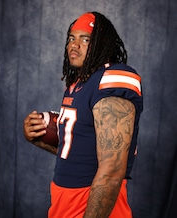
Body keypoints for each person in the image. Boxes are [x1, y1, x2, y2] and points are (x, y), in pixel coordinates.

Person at [23, 11, 143, 218]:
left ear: (102, 44)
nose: (74, 45)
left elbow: (112, 171)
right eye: (71, 38)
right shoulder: (76, 85)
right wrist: (36, 138)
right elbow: (79, 151)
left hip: (93, 204)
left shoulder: (112, 78)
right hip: (63, 202)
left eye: (85, 39)